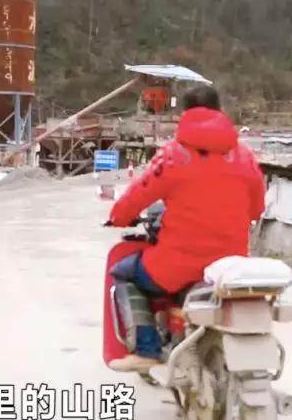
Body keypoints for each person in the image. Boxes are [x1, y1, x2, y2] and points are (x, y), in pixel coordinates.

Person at [105, 84, 266, 372]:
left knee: (124, 273)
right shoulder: (245, 156)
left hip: (178, 265)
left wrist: (118, 216)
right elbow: (256, 209)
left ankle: (146, 350)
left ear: (184, 113)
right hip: (228, 266)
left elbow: (139, 193)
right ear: (220, 111)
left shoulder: (172, 155)